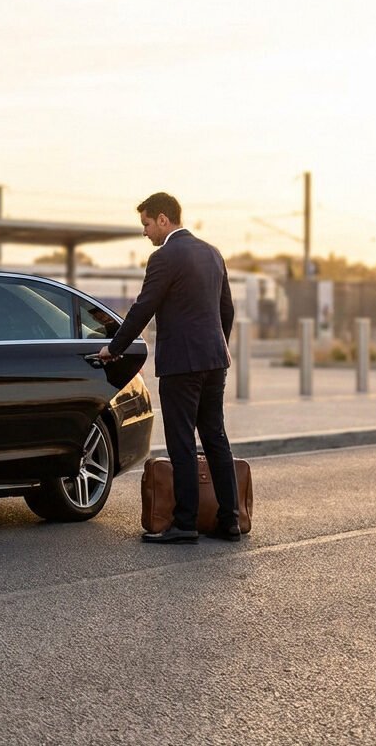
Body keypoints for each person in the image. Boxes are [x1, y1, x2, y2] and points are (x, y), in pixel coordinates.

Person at [98, 192, 240, 544]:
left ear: (163, 219)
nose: (145, 231)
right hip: (214, 361)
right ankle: (230, 520)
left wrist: (114, 348)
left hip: (181, 364)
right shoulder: (213, 253)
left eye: (146, 223)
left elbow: (143, 307)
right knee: (215, 437)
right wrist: (216, 347)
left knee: (181, 441)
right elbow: (227, 310)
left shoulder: (164, 257)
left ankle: (185, 523)